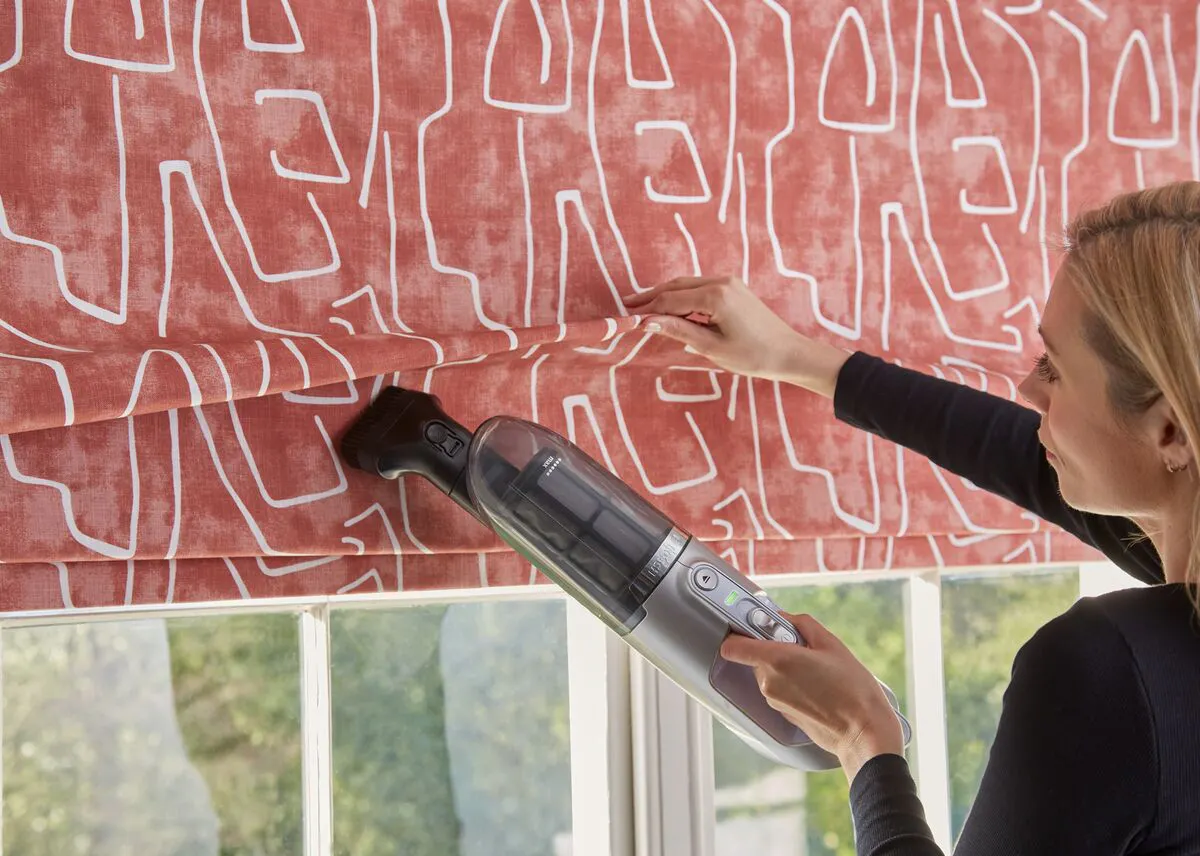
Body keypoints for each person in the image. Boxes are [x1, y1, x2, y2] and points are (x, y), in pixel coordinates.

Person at [624, 181, 1200, 855]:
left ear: (1168, 431)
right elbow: (1023, 453)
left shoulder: (1113, 673)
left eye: (1055, 369)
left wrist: (864, 739)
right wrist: (798, 359)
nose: (1026, 389)